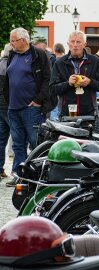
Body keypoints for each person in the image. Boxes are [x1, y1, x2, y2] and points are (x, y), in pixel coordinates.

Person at [5, 28, 52, 185]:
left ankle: (40, 175)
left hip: (31, 108)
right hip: (13, 107)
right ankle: (20, 176)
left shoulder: (38, 54)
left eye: (13, 40)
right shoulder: (12, 54)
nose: (11, 43)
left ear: (23, 40)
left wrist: (39, 100)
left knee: (35, 142)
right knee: (18, 144)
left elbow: (47, 79)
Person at [49, 30, 99, 120]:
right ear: (68, 44)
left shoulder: (95, 61)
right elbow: (52, 89)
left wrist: (90, 82)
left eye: (78, 42)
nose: (75, 45)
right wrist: (68, 83)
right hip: (66, 114)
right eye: (72, 41)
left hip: (89, 114)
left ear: (85, 44)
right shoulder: (60, 62)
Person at [0, 44, 12, 179]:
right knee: (19, 140)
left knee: (1, 140)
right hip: (9, 105)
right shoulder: (11, 66)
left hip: (0, 106)